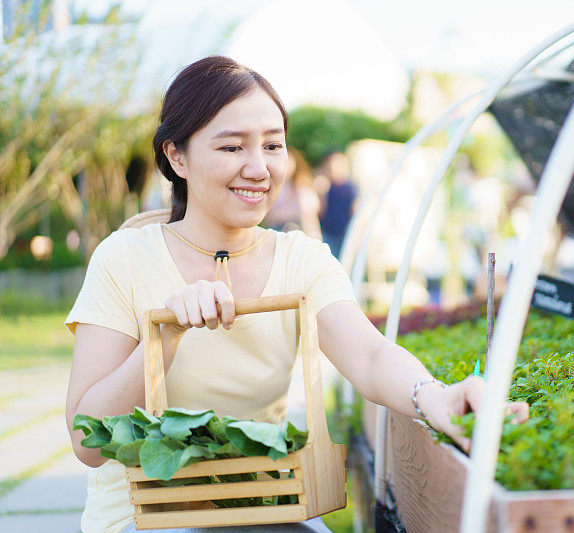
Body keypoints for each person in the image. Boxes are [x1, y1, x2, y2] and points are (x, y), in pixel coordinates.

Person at [64, 56, 528, 533]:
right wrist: (163, 340)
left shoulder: (301, 260)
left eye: (273, 146)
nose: (258, 168)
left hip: (265, 507)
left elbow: (367, 355)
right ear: (177, 156)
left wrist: (436, 398)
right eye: (231, 147)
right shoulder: (123, 257)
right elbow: (87, 442)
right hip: (146, 517)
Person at [262, 146, 322, 239]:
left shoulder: (302, 186)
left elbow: (309, 216)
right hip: (275, 231)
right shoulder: (270, 186)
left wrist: (315, 237)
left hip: (298, 231)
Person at [316, 151, 356, 258]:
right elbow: (320, 211)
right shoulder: (325, 185)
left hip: (345, 233)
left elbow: (354, 211)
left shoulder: (350, 187)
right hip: (328, 233)